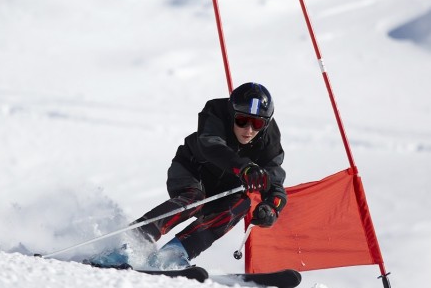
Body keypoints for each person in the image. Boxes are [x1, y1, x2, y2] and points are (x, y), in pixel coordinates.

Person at [89, 82, 288, 270]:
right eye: (242, 120)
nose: (249, 130)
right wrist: (243, 167)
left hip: (225, 188)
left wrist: (271, 208)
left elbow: (274, 180)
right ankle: (130, 242)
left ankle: (173, 254)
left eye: (257, 123)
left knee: (241, 204)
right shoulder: (216, 112)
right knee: (194, 199)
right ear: (232, 114)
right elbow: (211, 146)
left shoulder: (270, 140)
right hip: (191, 170)